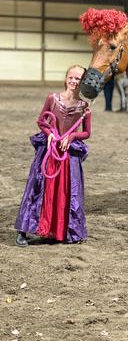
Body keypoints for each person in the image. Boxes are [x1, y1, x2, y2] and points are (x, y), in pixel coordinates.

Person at [15, 65, 91, 246]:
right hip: (49, 152)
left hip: (67, 154)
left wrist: (72, 136)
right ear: (66, 79)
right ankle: (24, 231)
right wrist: (50, 134)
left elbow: (87, 133)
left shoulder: (84, 107)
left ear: (83, 82)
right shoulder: (52, 98)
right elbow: (42, 120)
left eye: (78, 79)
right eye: (71, 77)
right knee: (38, 189)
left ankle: (59, 231)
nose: (74, 81)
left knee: (66, 192)